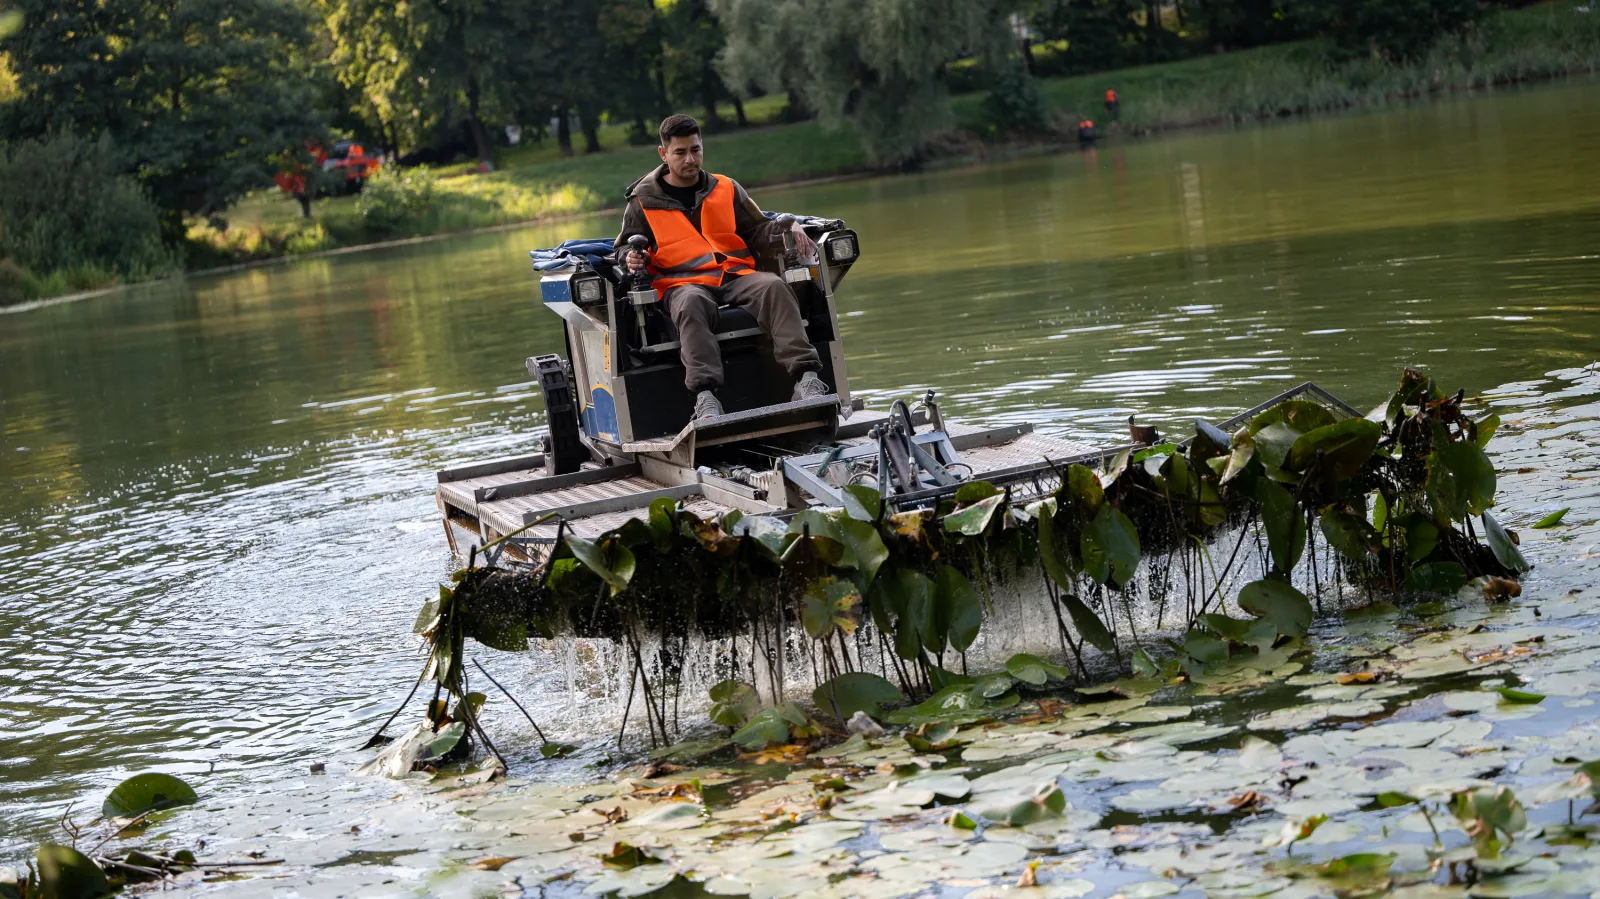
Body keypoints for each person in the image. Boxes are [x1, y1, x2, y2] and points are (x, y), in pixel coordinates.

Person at [616, 114, 830, 421]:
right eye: (680, 152)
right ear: (663, 154)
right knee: (691, 304)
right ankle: (705, 399)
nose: (690, 159)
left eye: (696, 149)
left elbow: (757, 230)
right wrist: (630, 257)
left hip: (735, 274)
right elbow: (624, 248)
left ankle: (807, 379)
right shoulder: (641, 202)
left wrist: (789, 228)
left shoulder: (727, 188)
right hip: (681, 284)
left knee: (773, 286)